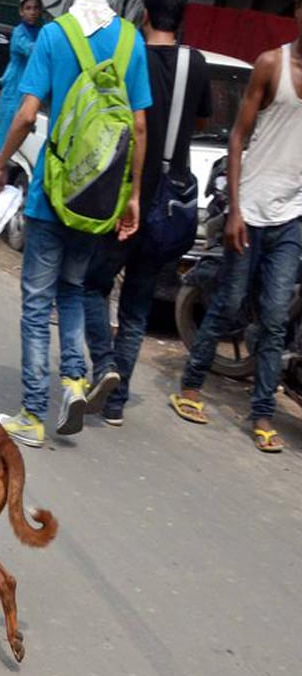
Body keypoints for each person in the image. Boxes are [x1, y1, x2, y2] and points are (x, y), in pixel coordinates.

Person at [0, 0, 151, 447]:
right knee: (73, 289)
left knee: (37, 304)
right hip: (98, 198)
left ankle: (33, 413)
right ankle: (75, 382)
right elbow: (138, 125)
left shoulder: (55, 35)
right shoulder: (130, 41)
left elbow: (26, 114)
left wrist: (1, 163)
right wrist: (132, 194)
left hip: (53, 191)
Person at [170, 0, 302, 453]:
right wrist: (238, 208)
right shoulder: (271, 64)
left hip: (292, 216)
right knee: (228, 304)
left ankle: (263, 413)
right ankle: (190, 386)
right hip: (252, 208)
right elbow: (238, 137)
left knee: (274, 316)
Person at [81, 0, 212, 426]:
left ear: (146, 16)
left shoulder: (129, 53)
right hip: (169, 203)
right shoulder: (196, 63)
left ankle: (104, 366)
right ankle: (117, 403)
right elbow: (199, 122)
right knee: (137, 303)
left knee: (93, 285)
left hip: (128, 193)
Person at [0, 0, 42, 161]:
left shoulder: (41, 32)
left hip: (31, 85)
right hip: (15, 85)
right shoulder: (19, 32)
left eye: (35, 8)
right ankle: (0, 164)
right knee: (7, 129)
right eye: (28, 8)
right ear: (21, 12)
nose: (32, 12)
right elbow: (30, 49)